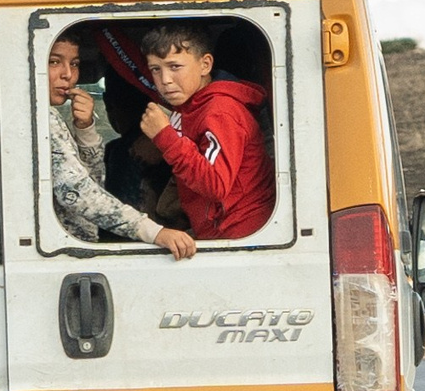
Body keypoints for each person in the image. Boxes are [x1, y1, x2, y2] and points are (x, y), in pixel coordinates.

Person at [45, 34, 196, 256]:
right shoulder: (42, 117)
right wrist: (154, 232)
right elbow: (77, 193)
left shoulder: (50, 118)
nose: (67, 75)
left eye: (74, 64)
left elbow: (91, 182)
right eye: (54, 62)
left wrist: (85, 129)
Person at [131, 21, 276, 241]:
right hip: (221, 232)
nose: (165, 80)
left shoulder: (219, 111)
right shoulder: (191, 107)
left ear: (205, 65)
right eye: (155, 70)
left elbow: (215, 183)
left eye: (175, 67)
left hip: (240, 236)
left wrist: (165, 137)